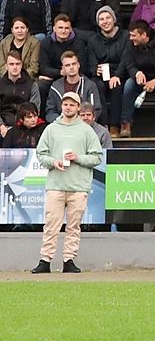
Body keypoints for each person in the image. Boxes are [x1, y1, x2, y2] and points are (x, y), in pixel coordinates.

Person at [30, 91, 102, 275]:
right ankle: (45, 260)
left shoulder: (86, 131)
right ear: (62, 106)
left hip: (78, 186)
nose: (68, 107)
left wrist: (78, 158)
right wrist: (53, 162)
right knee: (51, 224)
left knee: (73, 226)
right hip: (56, 184)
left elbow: (97, 157)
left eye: (72, 104)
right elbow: (41, 153)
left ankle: (68, 260)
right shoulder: (51, 129)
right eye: (65, 104)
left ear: (78, 107)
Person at [87, 6, 128, 138]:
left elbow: (127, 59)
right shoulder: (93, 40)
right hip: (102, 73)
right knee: (96, 85)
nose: (105, 21)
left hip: (120, 72)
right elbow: (91, 61)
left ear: (114, 19)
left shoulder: (126, 36)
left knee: (117, 87)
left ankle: (115, 126)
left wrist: (117, 76)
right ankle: (103, 124)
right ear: (98, 23)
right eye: (101, 19)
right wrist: (95, 69)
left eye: (108, 18)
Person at [45, 50, 101, 124]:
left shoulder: (90, 85)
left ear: (78, 65)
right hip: (61, 125)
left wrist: (78, 123)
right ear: (63, 68)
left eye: (74, 64)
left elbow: (95, 109)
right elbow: (50, 111)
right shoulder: (55, 87)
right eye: (67, 65)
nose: (71, 67)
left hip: (83, 126)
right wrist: (62, 121)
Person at [0, 50, 40, 125]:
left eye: (17, 64)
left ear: (21, 65)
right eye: (11, 64)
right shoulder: (1, 84)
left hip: (25, 126)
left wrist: (23, 125)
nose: (15, 67)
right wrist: (1, 126)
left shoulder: (32, 84)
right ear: (6, 66)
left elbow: (35, 110)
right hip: (4, 127)